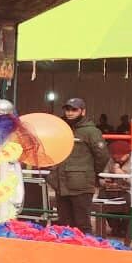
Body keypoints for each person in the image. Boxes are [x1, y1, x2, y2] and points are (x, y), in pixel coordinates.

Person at [48, 98, 109, 233]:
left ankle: (85, 252)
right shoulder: (62, 128)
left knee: (82, 223)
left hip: (81, 185)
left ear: (83, 111)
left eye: (74, 110)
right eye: (68, 109)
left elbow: (102, 155)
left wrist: (90, 172)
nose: (69, 113)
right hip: (61, 183)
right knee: (64, 224)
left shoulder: (91, 131)